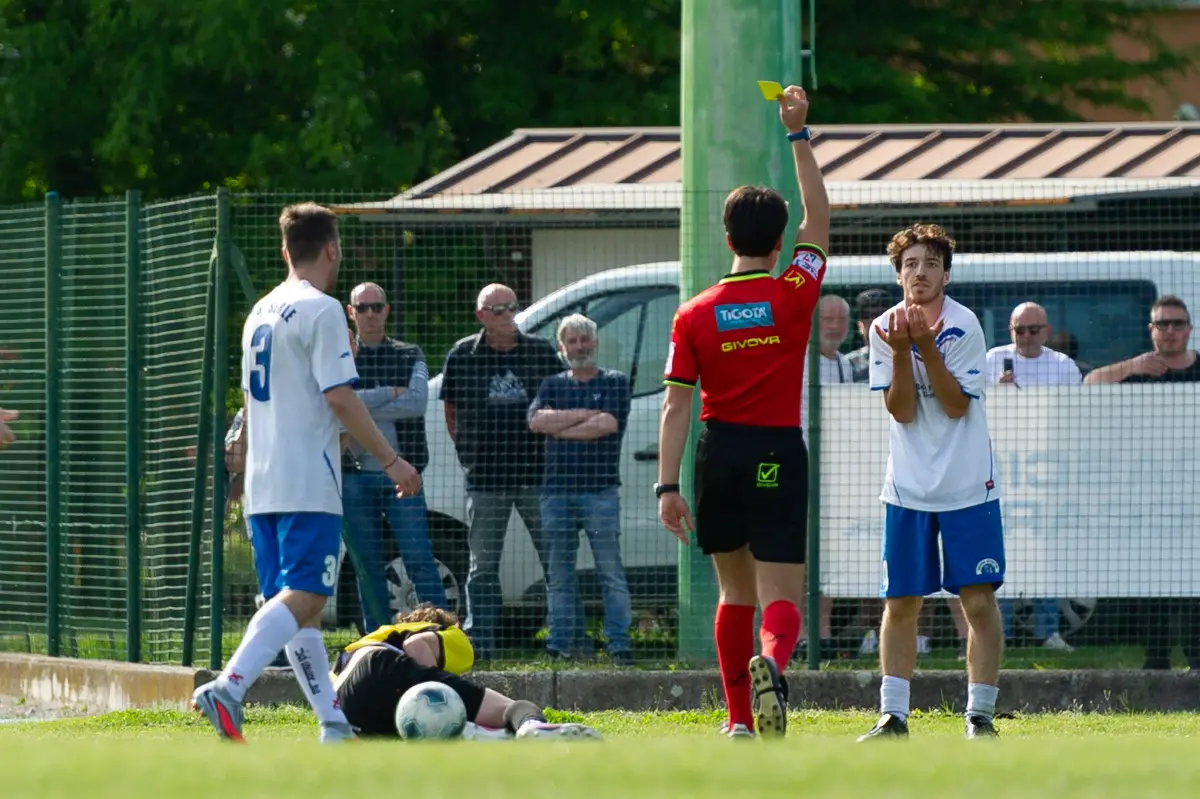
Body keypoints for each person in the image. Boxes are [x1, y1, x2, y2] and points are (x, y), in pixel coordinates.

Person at [191, 202, 422, 745]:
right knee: (307, 597)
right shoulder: (320, 310)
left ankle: (333, 722)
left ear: (284, 250)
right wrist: (392, 460)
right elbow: (339, 397)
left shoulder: (260, 311)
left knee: (298, 611)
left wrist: (242, 471)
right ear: (332, 249)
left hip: (265, 482)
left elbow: (250, 405)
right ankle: (228, 686)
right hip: (307, 479)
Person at [657, 85, 830, 740]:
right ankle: (774, 662)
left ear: (726, 235)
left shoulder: (695, 312)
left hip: (718, 451)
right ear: (780, 240)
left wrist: (668, 485)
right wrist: (797, 133)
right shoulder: (793, 292)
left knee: (735, 592)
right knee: (782, 592)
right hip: (777, 451)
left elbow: (677, 402)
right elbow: (820, 213)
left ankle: (736, 721)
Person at [859, 222, 1004, 742]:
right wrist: (903, 351)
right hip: (908, 489)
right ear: (898, 274)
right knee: (901, 603)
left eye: (931, 264)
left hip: (968, 487)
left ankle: (979, 716)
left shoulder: (965, 326)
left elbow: (955, 403)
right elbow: (900, 410)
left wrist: (924, 344)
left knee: (978, 601)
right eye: (911, 264)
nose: (920, 273)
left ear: (945, 273)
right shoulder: (882, 329)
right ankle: (893, 716)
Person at [439, 283, 573, 660]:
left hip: (537, 475)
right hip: (485, 478)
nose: (503, 315)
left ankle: (566, 640)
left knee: (554, 560)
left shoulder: (541, 352)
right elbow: (451, 411)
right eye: (494, 309)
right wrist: (469, 452)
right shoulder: (463, 355)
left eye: (509, 307)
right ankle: (480, 643)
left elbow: (561, 400)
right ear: (480, 315)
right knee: (482, 567)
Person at [1082, 295, 1200, 669]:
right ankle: (1157, 663)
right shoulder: (1137, 369)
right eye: (1162, 324)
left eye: (1177, 324)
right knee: (1156, 585)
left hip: (1195, 493)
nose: (1169, 331)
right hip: (1153, 497)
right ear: (1151, 330)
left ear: (1189, 329)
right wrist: (1132, 365)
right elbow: (1089, 384)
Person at [528, 314, 634, 665]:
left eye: (584, 339)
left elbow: (607, 424)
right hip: (555, 493)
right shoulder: (551, 384)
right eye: (572, 341)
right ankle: (561, 643)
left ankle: (618, 643)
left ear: (595, 342)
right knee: (558, 574)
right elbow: (536, 421)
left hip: (600, 492)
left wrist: (560, 425)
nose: (579, 346)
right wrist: (585, 413)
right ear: (562, 347)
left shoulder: (616, 382)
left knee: (610, 571)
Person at [332, 604, 601, 741]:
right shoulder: (450, 633)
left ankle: (494, 737)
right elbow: (416, 646)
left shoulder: (370, 639)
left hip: (346, 709)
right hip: (380, 667)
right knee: (512, 707)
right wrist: (436, 689)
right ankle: (533, 725)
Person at [342, 281, 446, 631]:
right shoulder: (341, 358)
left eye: (377, 306)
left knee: (419, 558)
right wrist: (389, 393)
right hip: (352, 477)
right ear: (351, 312)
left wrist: (359, 408)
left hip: (403, 475)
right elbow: (335, 409)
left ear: (386, 310)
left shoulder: (409, 353)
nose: (370, 313)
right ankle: (377, 641)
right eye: (362, 307)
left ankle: (441, 634)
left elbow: (416, 403)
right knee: (366, 563)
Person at [986, 301, 1080, 654]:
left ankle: (1047, 630)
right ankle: (1001, 631)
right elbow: (972, 407)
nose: (1026, 337)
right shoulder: (992, 359)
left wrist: (1022, 400)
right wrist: (998, 394)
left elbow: (1073, 416)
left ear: (1047, 331)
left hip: (1047, 470)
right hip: (1002, 468)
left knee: (1046, 550)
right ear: (1010, 331)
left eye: (1033, 330)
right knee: (1004, 549)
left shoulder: (1062, 365)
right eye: (1019, 330)